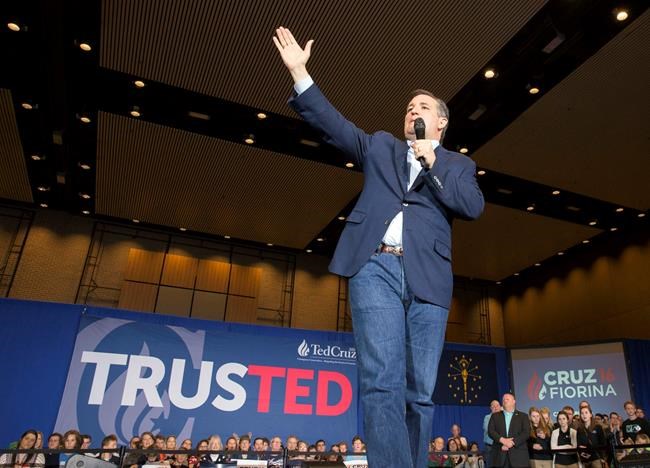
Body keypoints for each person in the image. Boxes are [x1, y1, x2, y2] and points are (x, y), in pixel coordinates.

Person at [273, 26, 484, 468]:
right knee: (380, 381)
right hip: (375, 269)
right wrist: (300, 75)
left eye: (423, 107)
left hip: (429, 279)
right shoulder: (383, 147)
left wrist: (432, 163)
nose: (413, 111)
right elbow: (335, 126)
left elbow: (471, 208)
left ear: (441, 122)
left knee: (419, 392)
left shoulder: (459, 165)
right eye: (409, 108)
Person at [487, 393, 530, 468]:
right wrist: (503, 440)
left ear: (514, 401)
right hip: (500, 456)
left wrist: (512, 442)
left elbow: (526, 433)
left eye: (507, 399)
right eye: (503, 400)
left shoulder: (523, 416)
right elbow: (491, 431)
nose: (505, 401)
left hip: (519, 457)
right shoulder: (495, 416)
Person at [484, 400, 502, 466]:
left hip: (501, 446)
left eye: (497, 405)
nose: (496, 407)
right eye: (493, 406)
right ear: (491, 408)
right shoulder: (487, 417)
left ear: (500, 407)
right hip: (490, 446)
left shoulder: (504, 417)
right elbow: (488, 429)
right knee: (491, 465)